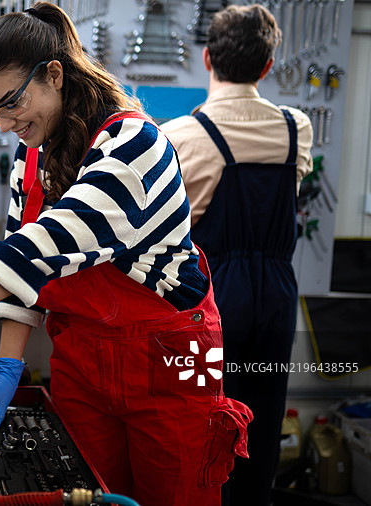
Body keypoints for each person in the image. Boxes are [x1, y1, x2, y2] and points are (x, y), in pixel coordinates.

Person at [0, 3, 251, 505]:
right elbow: (25, 267)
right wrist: (7, 367)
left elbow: (40, 250)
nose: (1, 124)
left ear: (55, 75)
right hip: (82, 361)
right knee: (85, 496)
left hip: (170, 362)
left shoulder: (135, 146)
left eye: (11, 103)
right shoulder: (32, 153)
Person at [160, 5, 313, 506]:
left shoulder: (181, 136)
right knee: (264, 415)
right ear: (268, 67)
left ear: (207, 58)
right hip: (276, 294)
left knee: (196, 414)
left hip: (209, 298)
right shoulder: (297, 130)